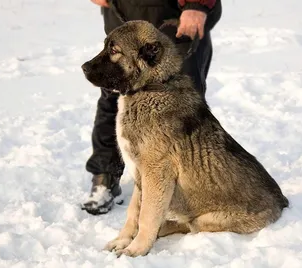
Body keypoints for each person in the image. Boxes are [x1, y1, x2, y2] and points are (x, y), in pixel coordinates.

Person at [82, 0, 222, 215]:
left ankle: (189, 185)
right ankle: (105, 176)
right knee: (112, 98)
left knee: (184, 101)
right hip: (123, 9)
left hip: (176, 13)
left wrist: (198, 5)